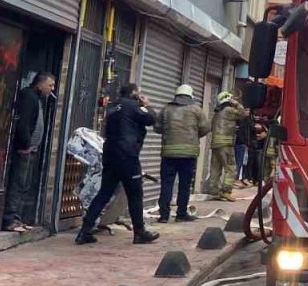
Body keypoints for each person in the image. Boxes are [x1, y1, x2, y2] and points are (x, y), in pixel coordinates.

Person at [76, 84, 159, 245]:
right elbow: (151, 119)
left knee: (104, 193)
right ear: (134, 93)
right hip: (127, 156)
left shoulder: (112, 107)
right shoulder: (133, 106)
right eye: (139, 93)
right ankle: (140, 232)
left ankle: (84, 232)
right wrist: (147, 104)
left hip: (109, 154)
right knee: (135, 194)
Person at [2, 72, 55, 232]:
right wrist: (24, 144)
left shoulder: (37, 99)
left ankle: (18, 217)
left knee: (24, 184)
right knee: (18, 183)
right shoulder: (28, 96)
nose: (51, 89)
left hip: (31, 149)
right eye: (50, 85)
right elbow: (23, 123)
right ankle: (10, 218)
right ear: (40, 84)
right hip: (24, 149)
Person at [155, 84, 209, 222]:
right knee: (185, 185)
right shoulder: (197, 110)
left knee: (166, 184)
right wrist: (194, 135)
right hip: (188, 155)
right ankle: (181, 214)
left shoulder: (166, 109)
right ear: (191, 95)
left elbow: (157, 127)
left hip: (168, 154)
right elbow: (205, 128)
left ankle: (164, 216)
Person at [209, 91, 246, 201]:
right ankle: (226, 191)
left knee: (215, 167)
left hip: (215, 144)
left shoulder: (217, 113)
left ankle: (214, 191)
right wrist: (237, 104)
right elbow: (242, 114)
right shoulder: (229, 110)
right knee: (231, 168)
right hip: (226, 144)